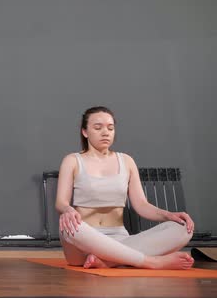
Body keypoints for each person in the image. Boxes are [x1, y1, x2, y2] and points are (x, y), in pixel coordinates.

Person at [56, 106, 194, 270]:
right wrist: (68, 210)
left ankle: (107, 261)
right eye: (98, 128)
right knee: (69, 227)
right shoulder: (72, 160)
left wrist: (169, 215)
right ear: (85, 132)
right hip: (84, 240)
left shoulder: (126, 161)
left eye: (110, 128)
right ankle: (151, 262)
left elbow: (142, 205)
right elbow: (60, 202)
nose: (105, 132)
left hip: (121, 240)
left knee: (182, 228)